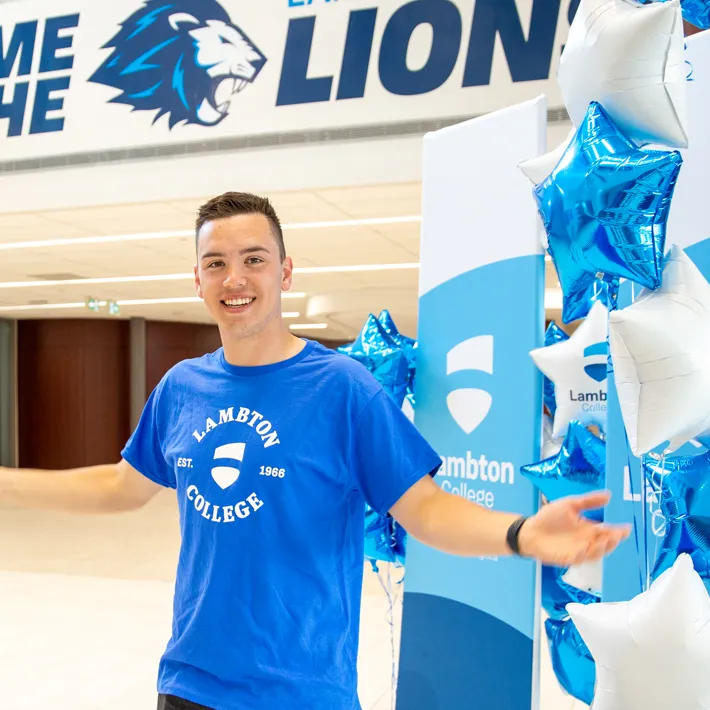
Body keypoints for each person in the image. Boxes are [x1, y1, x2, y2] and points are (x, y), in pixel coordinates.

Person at [0, 192, 630, 710]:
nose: (235, 278)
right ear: (197, 279)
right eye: (215, 263)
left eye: (253, 258)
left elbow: (427, 510)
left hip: (303, 692)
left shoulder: (342, 390)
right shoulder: (181, 388)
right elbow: (120, 487)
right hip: (188, 684)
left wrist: (521, 533)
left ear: (285, 271)